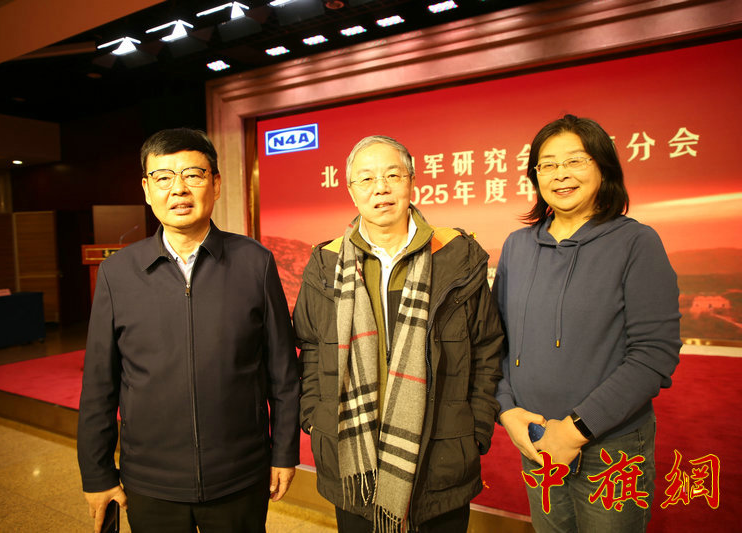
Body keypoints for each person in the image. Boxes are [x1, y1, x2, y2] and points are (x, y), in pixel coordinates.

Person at [77, 128, 300, 533]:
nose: (178, 189)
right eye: (163, 177)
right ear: (147, 190)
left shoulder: (255, 262)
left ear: (216, 184)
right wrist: (97, 474)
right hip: (151, 481)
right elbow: (99, 384)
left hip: (239, 475)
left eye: (193, 175)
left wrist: (284, 452)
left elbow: (282, 371)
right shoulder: (117, 273)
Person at [293, 135, 504, 533]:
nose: (381, 188)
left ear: (412, 182)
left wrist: (475, 429)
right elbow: (311, 347)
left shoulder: (457, 256)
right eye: (367, 178)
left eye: (393, 175)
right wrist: (314, 418)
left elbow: (487, 347)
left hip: (441, 453)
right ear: (351, 190)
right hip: (353, 456)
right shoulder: (326, 263)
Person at [494, 114, 681, 531]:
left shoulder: (636, 242)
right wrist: (507, 411)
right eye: (547, 164)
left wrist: (576, 430)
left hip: (609, 446)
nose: (560, 174)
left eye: (575, 161)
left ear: (603, 167)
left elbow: (654, 355)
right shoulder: (517, 246)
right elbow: (496, 340)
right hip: (536, 440)